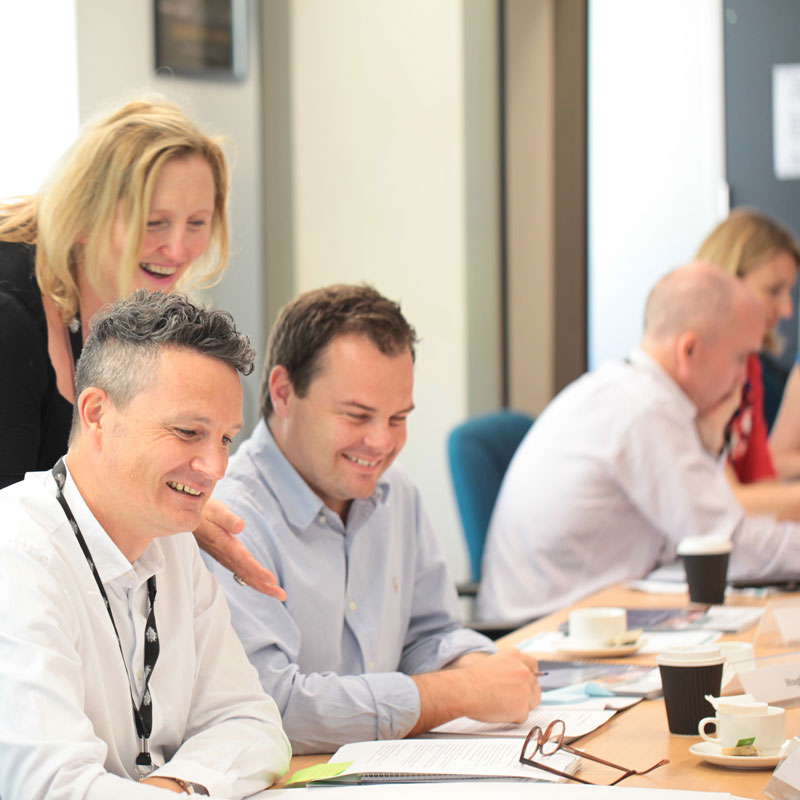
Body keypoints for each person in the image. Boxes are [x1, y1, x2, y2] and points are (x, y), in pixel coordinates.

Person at [202, 284, 542, 755]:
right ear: (283, 392)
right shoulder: (227, 519)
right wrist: (459, 692)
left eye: (398, 418)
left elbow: (428, 636)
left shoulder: (394, 489)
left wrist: (477, 667)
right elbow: (271, 707)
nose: (381, 443)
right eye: (357, 416)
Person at [0, 290, 290, 799]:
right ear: (95, 415)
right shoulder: (17, 555)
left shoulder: (173, 543)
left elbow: (253, 723)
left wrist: (174, 785)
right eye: (187, 431)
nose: (217, 467)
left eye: (225, 438)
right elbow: (52, 789)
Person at [0, 97, 282, 597]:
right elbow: (13, 526)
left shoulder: (124, 306)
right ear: (85, 213)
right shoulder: (10, 316)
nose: (177, 249)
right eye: (155, 223)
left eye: (197, 224)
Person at [477, 261, 800, 623]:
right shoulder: (645, 411)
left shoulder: (627, 392)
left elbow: (698, 537)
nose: (744, 378)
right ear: (689, 350)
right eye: (740, 358)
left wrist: (709, 445)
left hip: (580, 617)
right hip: (549, 634)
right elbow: (724, 547)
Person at [695, 210, 800, 514]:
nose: (786, 310)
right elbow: (721, 500)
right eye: (773, 291)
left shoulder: (750, 368)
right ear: (726, 280)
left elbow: (760, 480)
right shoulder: (692, 373)